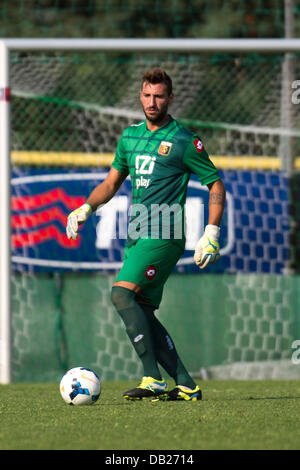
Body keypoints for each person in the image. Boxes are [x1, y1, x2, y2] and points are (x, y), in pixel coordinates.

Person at [66, 68, 226, 401]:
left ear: (170, 98)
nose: (152, 102)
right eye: (147, 95)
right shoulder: (129, 136)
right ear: (140, 95)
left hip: (165, 231)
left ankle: (152, 377)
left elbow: (215, 184)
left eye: (159, 96)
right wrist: (85, 209)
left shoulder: (184, 139)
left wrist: (211, 231)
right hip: (137, 231)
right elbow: (111, 184)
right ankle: (186, 385)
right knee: (141, 308)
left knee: (121, 295)